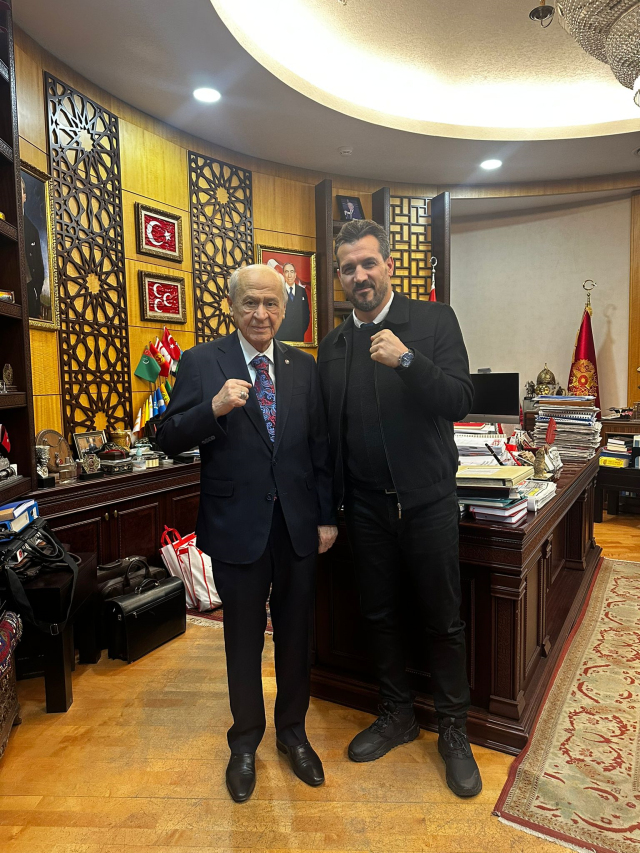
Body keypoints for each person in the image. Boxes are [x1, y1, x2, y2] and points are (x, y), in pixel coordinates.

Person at [156, 264, 337, 803]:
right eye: (250, 304)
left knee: (296, 636)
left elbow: (321, 448)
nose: (261, 314)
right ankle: (244, 743)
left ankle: (293, 734)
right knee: (241, 641)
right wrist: (212, 408)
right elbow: (164, 436)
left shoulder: (304, 367)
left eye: (271, 304)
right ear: (231, 307)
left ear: (284, 309)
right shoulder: (200, 362)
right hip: (237, 528)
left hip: (299, 527)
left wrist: (327, 515)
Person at [317, 219, 481, 798]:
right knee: (379, 615)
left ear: (388, 265)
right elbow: (326, 433)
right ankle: (398, 714)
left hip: (428, 501)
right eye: (348, 268)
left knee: (442, 618)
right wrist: (327, 509)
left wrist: (408, 361)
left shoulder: (434, 322)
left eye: (368, 263)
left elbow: (462, 399)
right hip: (364, 507)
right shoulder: (334, 345)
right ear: (338, 278)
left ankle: (454, 731)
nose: (359, 275)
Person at [22, 177, 45, 319]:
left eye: (20, 192)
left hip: (29, 288)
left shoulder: (32, 230)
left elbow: (39, 267)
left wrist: (36, 298)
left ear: (24, 197)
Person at [275, 261, 311, 343]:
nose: (289, 275)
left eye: (292, 272)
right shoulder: (279, 290)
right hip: (281, 337)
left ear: (295, 274)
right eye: (286, 272)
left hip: (298, 336)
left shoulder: (302, 291)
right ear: (283, 274)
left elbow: (306, 315)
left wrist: (301, 331)